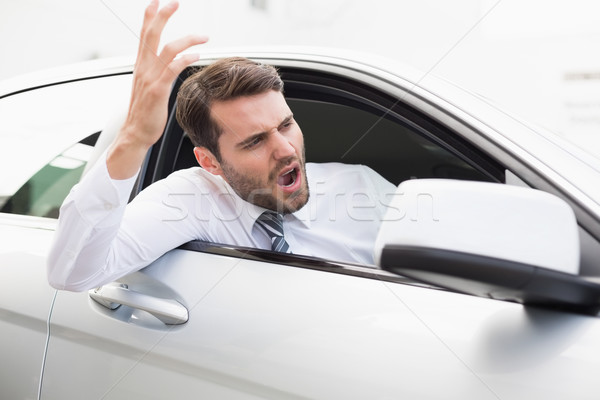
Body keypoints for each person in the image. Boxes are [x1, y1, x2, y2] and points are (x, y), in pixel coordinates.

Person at [47, 0, 395, 291]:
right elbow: (74, 274)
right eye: (255, 141)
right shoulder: (194, 200)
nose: (286, 150)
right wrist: (133, 139)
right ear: (210, 162)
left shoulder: (361, 186)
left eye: (286, 125)